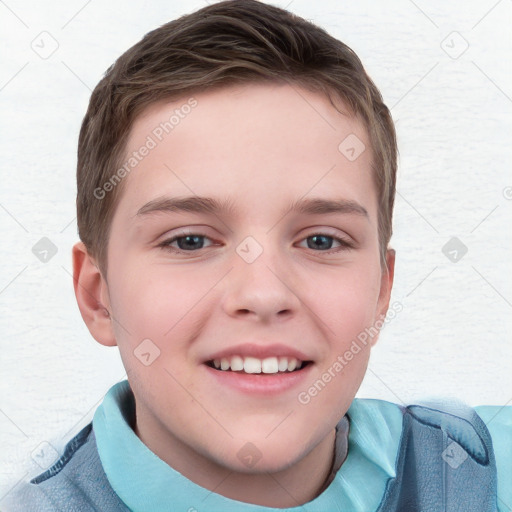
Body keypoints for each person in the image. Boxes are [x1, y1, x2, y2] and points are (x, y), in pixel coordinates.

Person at [3, 1, 510, 510]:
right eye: (190, 241)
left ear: (381, 291)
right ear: (98, 297)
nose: (263, 294)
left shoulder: (481, 471)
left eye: (321, 241)